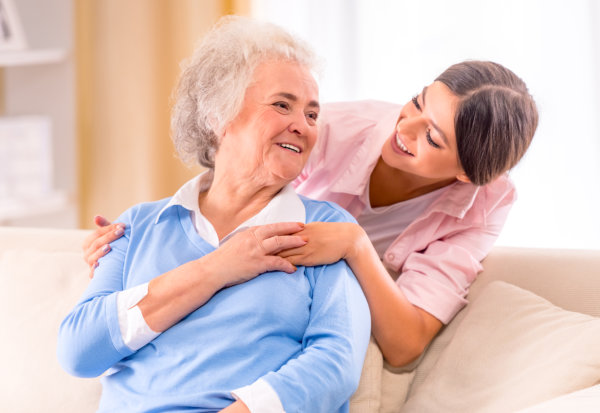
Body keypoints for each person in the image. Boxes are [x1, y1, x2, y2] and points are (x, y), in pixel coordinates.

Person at [84, 60, 538, 366]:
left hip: (319, 315)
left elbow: (406, 345)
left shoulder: (486, 201)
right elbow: (232, 196)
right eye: (418, 103)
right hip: (256, 284)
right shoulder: (330, 129)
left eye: (433, 138)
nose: (405, 128)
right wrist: (132, 239)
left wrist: (355, 245)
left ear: (466, 174)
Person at [58, 16, 370, 413]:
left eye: (311, 114)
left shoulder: (324, 229)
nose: (302, 126)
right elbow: (78, 352)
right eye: (282, 105)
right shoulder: (139, 226)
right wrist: (219, 267)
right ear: (218, 116)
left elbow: (335, 364)